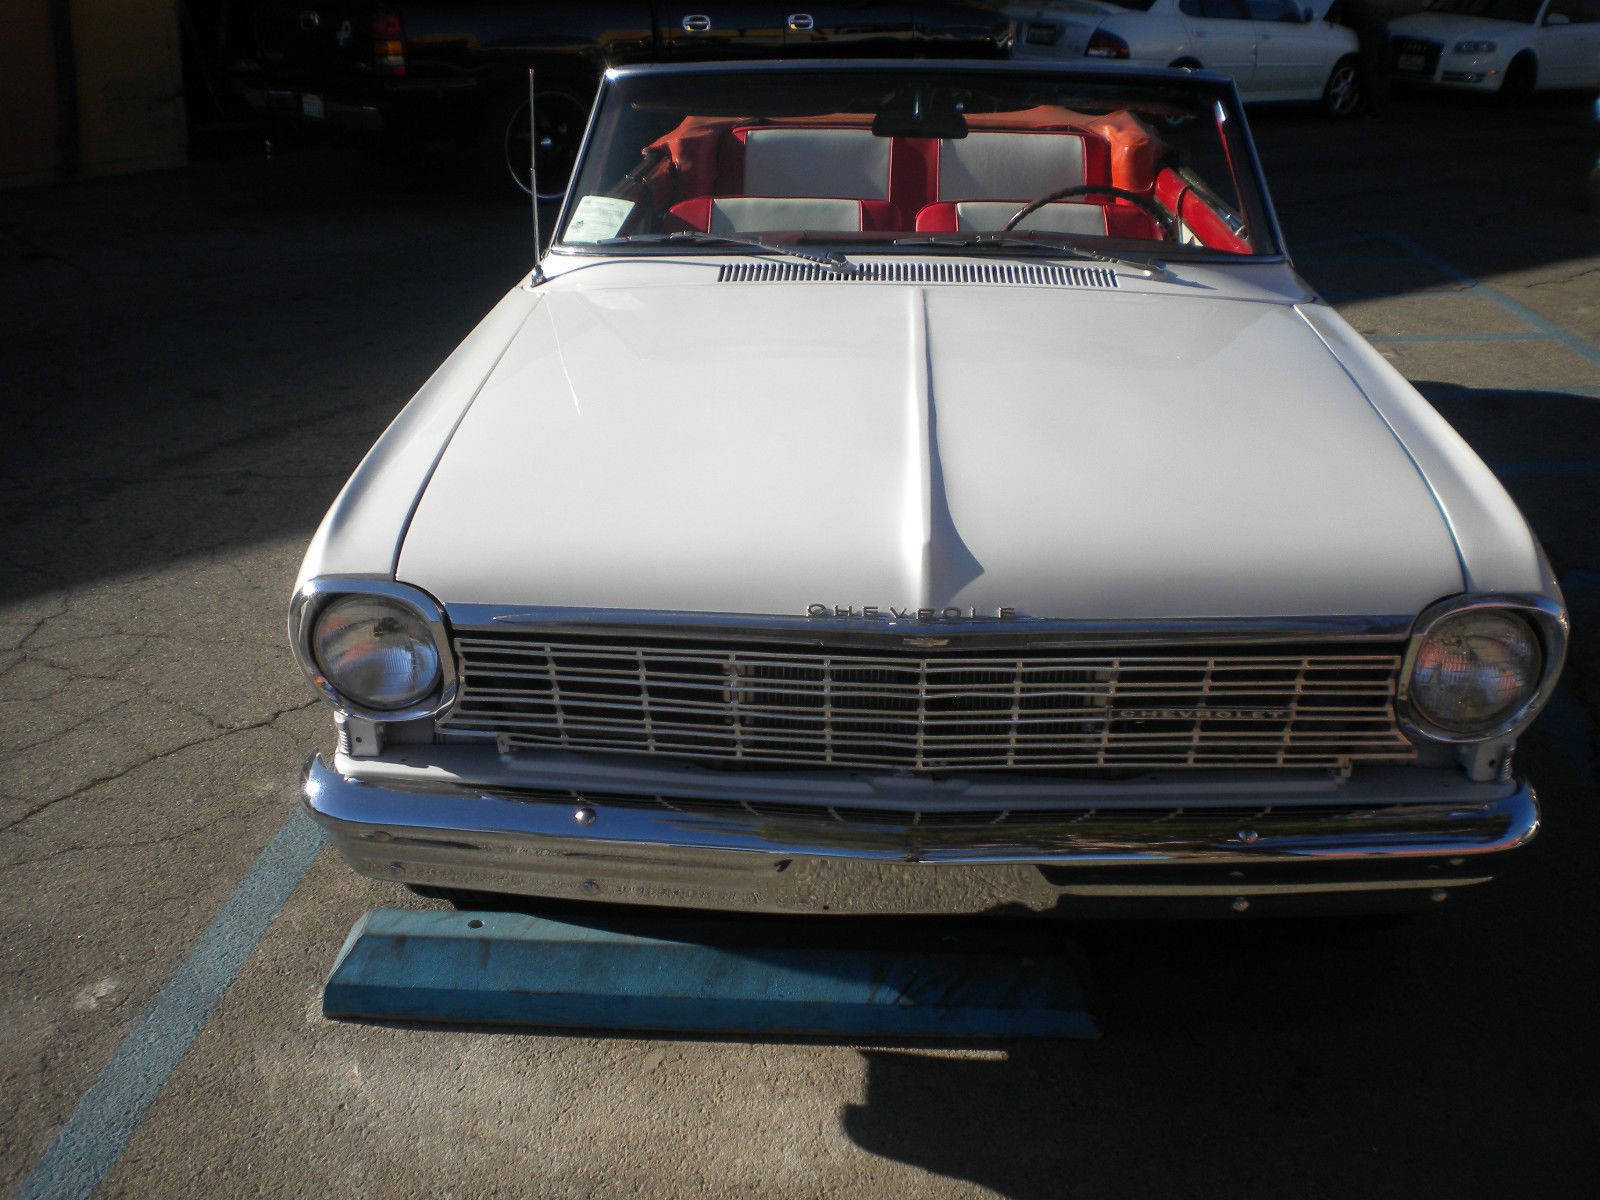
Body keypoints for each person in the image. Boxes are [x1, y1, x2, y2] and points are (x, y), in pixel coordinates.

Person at [1328, 0, 1391, 118]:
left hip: (1369, 33)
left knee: (1369, 70)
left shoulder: (1341, 3)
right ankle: (1379, 108)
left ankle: (1373, 110)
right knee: (1381, 71)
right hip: (1382, 29)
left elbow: (1333, 16)